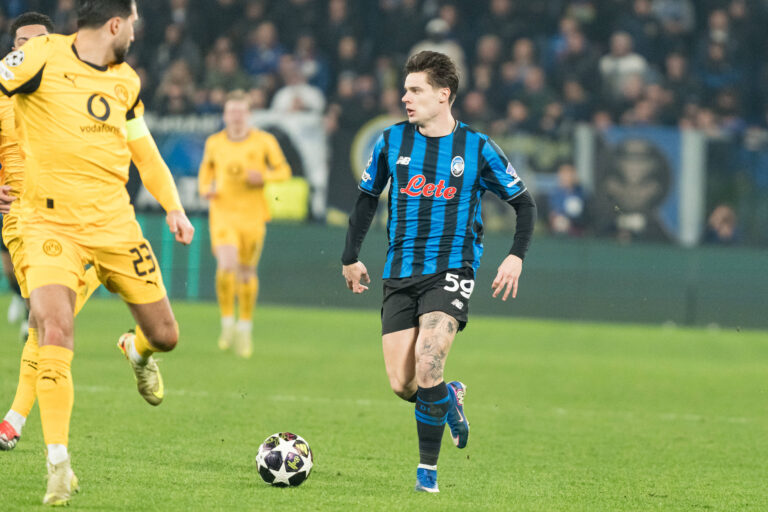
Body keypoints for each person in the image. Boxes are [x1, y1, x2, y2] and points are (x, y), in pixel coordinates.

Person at [0, 0, 194, 505]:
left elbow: (143, 150)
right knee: (53, 326)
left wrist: (173, 206)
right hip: (48, 223)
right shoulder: (40, 55)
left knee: (165, 335)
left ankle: (137, 350)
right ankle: (58, 462)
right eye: (133, 20)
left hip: (115, 227)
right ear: (115, 24)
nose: (136, 29)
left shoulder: (124, 80)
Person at [341, 51, 536, 493]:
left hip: (451, 268)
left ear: (443, 95)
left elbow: (524, 203)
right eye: (405, 90)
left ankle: (426, 475)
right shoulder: (392, 141)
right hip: (399, 272)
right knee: (402, 382)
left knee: (428, 364)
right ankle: (450, 398)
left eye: (415, 90)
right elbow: (367, 199)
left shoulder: (478, 148)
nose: (405, 98)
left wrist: (515, 255)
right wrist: (349, 257)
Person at [0, 11, 101, 453]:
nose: (35, 49)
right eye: (26, 42)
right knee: (50, 321)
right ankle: (16, 419)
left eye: (44, 40)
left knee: (51, 320)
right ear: (12, 49)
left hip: (75, 213)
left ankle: (138, 346)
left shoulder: (70, 89)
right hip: (26, 218)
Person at [198, 90, 291, 358]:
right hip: (223, 212)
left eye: (241, 112)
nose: (236, 117)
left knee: (247, 272)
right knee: (227, 265)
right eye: (231, 112)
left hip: (253, 215)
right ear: (225, 115)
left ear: (249, 115)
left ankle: (245, 327)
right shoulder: (214, 143)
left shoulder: (264, 141)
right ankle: (227, 322)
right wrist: (205, 187)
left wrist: (262, 176)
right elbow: (206, 171)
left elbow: (284, 170)